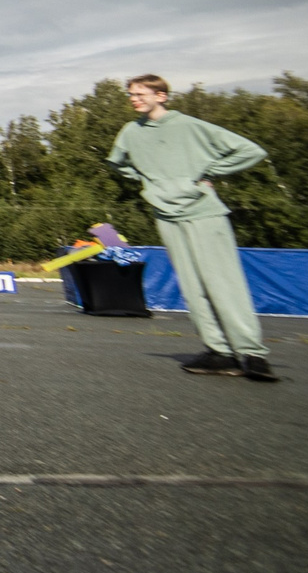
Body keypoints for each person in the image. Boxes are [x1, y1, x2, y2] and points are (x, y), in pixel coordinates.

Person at [106, 75, 276, 380]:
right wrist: (148, 181)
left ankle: (251, 353)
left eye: (141, 94)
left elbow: (251, 151)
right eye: (131, 94)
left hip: (204, 212)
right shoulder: (131, 132)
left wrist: (210, 171)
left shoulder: (189, 125)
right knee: (192, 286)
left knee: (223, 282)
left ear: (161, 96)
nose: (134, 99)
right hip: (166, 214)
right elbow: (116, 163)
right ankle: (219, 351)